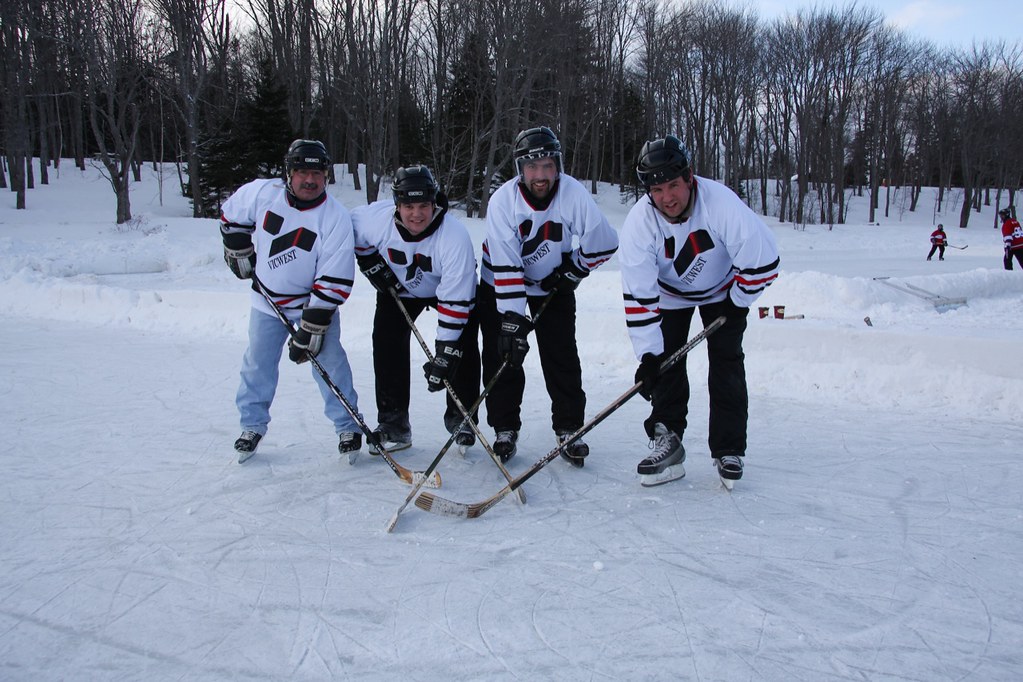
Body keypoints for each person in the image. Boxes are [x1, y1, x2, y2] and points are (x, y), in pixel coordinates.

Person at [618, 135, 780, 487]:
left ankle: (728, 449)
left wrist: (737, 303)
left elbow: (764, 263)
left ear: (689, 177)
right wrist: (648, 357)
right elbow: (638, 296)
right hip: (670, 294)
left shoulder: (720, 203)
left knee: (726, 361)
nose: (667, 198)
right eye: (657, 190)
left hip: (723, 289)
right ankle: (668, 439)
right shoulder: (639, 224)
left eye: (673, 185)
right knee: (665, 364)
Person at [478, 126, 619, 467]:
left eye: (547, 166)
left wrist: (574, 268)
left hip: (552, 286)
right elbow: (506, 263)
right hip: (499, 280)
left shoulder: (572, 194)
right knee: (503, 355)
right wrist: (512, 320)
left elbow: (605, 241)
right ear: (520, 169)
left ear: (557, 165)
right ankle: (505, 427)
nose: (540, 175)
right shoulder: (503, 202)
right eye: (532, 167)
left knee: (562, 356)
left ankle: (569, 427)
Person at [220, 139, 363, 462]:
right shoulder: (262, 193)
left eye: (316, 173)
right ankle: (252, 425)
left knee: (330, 364)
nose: (309, 180)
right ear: (288, 173)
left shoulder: (335, 217)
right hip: (266, 302)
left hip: (312, 306)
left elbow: (335, 275)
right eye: (301, 172)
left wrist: (312, 327)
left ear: (326, 176)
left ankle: (348, 425)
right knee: (257, 363)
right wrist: (237, 244)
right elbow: (232, 215)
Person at [351, 165, 480, 453]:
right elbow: (352, 232)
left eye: (424, 205)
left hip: (450, 290)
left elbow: (456, 300)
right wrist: (370, 263)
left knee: (462, 347)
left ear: (435, 202)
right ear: (396, 204)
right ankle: (394, 424)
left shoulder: (454, 236)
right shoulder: (374, 220)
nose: (417, 214)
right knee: (386, 342)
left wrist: (444, 350)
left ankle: (462, 419)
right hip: (400, 289)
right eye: (408, 206)